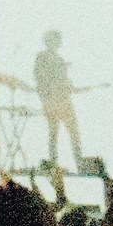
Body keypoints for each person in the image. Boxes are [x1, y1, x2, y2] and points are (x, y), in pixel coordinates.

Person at [31, 26, 83, 170]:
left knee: (63, 132)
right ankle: (66, 162)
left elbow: (58, 80)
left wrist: (68, 86)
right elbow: (41, 79)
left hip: (60, 100)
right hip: (56, 101)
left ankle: (73, 162)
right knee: (60, 132)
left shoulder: (56, 58)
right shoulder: (43, 57)